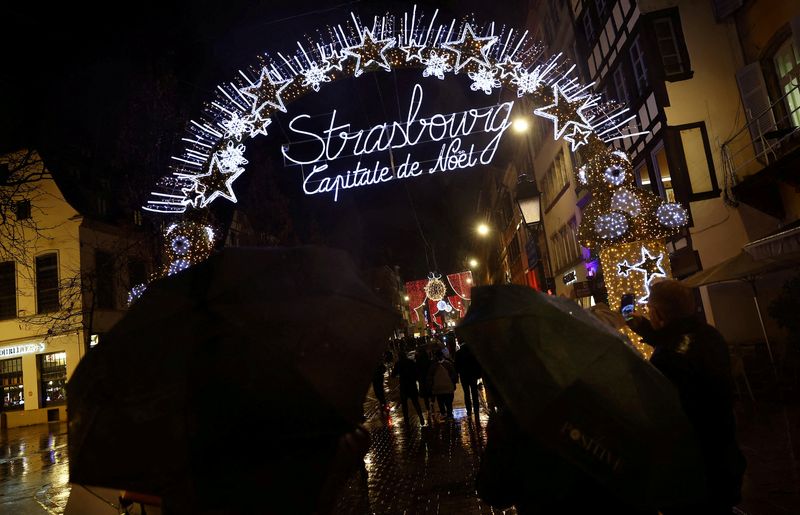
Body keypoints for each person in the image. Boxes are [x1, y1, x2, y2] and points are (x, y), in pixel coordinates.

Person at [627, 280, 746, 514]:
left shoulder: (667, 358)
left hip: (691, 473)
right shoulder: (710, 336)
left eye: (650, 309)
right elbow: (680, 340)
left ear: (658, 313)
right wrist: (645, 328)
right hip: (725, 458)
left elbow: (661, 415)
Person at [392, 352, 427, 425]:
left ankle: (406, 420)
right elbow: (417, 372)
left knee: (404, 405)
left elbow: (393, 375)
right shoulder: (411, 362)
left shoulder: (398, 364)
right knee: (415, 402)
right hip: (412, 385)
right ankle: (420, 416)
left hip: (404, 386)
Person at [427, 349, 457, 420]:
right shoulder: (448, 364)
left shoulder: (433, 366)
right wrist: (454, 383)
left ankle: (443, 413)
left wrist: (431, 386)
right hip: (448, 387)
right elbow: (454, 375)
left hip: (438, 388)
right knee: (449, 401)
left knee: (440, 401)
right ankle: (449, 413)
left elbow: (430, 377)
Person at [455, 343, 482, 417]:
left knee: (466, 393)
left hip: (464, 376)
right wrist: (478, 374)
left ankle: (469, 410)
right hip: (473, 375)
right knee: (474, 392)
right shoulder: (472, 352)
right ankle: (476, 409)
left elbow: (456, 366)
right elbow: (477, 364)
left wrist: (459, 373)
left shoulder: (458, 353)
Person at [415, 347, 434, 418]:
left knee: (425, 396)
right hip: (429, 379)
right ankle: (432, 402)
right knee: (431, 391)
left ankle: (428, 409)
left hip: (422, 380)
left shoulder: (418, 362)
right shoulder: (429, 361)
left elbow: (416, 371)